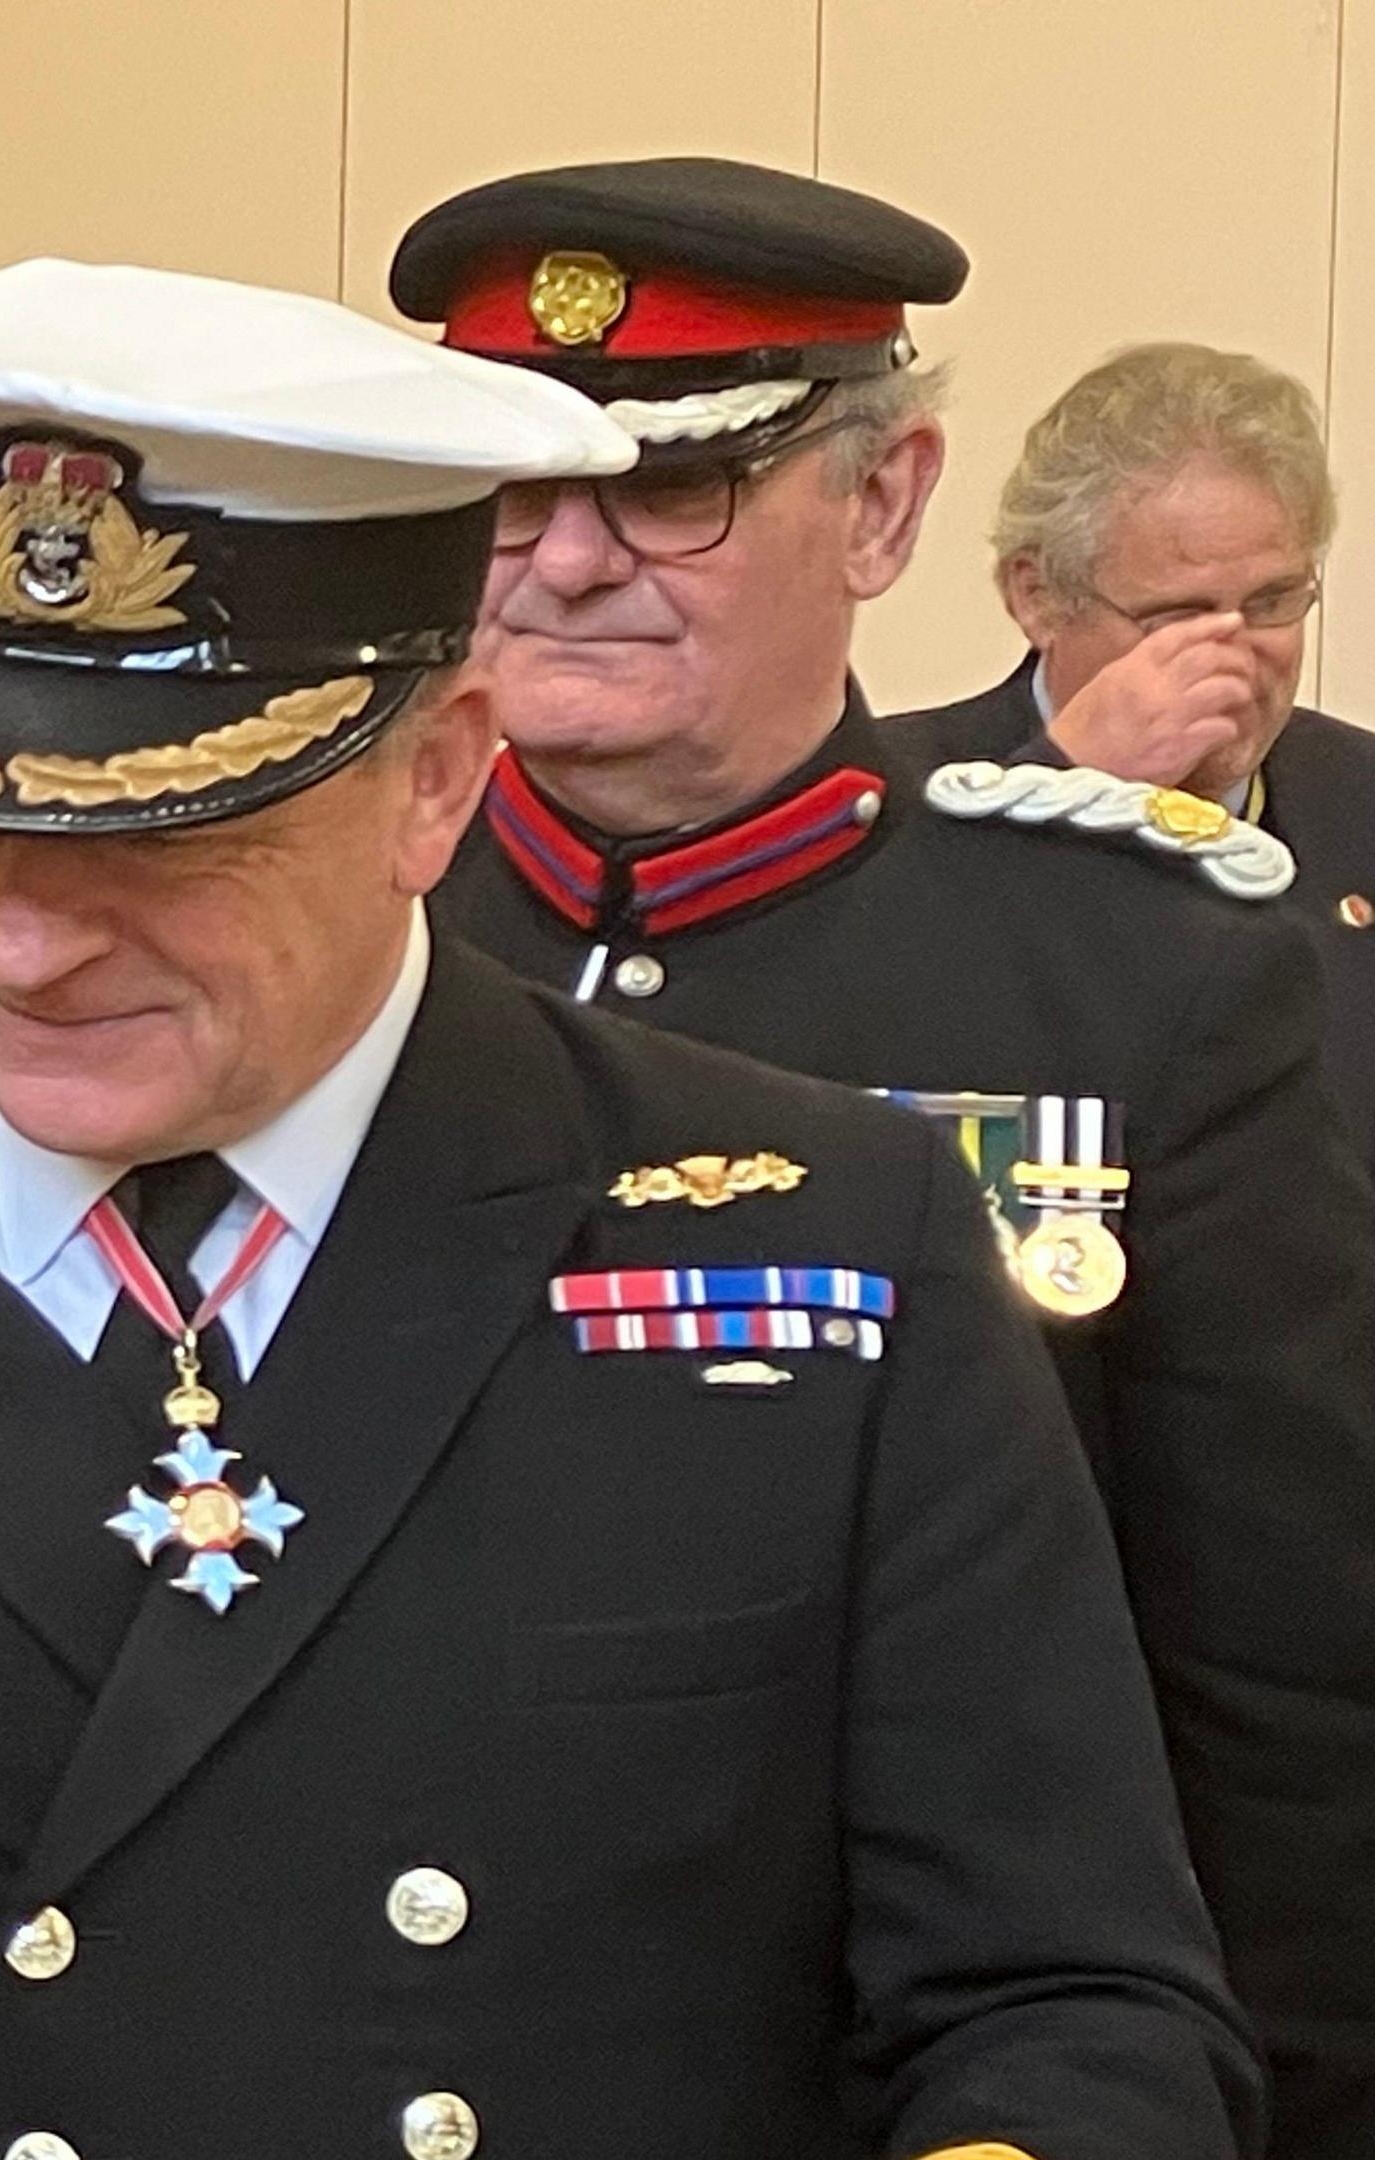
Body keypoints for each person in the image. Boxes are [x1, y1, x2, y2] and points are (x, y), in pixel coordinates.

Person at [0, 257, 1254, 2160]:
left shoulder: (827, 1249)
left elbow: (1065, 2008)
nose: (19, 939)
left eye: (151, 838)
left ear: (433, 783)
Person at [404, 159, 1375, 2152]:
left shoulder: (1135, 980)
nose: (566, 564)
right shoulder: (322, 967)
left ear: (885, 504)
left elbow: (1284, 1710)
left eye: (672, 490)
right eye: (507, 491)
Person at [898, 342, 1375, 1173]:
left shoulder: (1359, 801)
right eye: (1178, 615)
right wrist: (1063, 785)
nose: (1234, 657)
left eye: (1272, 602)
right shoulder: (900, 792)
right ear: (1036, 597)